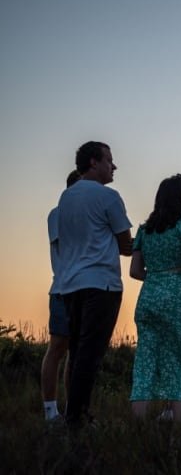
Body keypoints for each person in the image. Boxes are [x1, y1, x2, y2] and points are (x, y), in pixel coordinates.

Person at [57, 142, 133, 430]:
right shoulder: (108, 196)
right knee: (91, 353)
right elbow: (126, 245)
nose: (114, 166)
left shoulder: (66, 198)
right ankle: (76, 420)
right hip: (101, 284)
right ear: (93, 162)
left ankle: (76, 414)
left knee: (77, 351)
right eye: (109, 160)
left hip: (70, 285)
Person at [129, 174, 181, 424]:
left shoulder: (146, 229)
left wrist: (158, 278)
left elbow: (134, 271)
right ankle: (180, 436)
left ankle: (138, 431)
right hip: (178, 298)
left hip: (148, 297)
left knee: (145, 362)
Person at [41, 169, 81, 421]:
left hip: (83, 289)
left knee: (76, 352)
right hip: (63, 289)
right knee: (57, 348)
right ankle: (50, 410)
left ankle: (71, 410)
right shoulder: (58, 214)